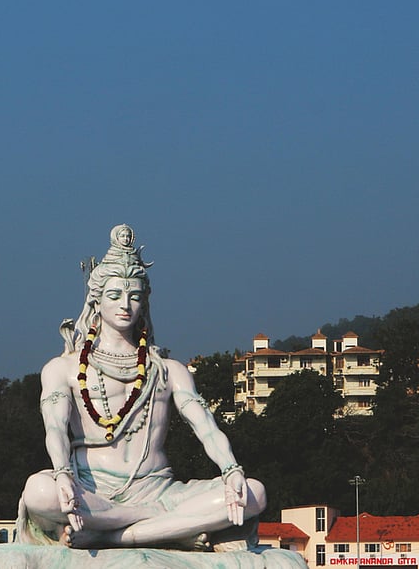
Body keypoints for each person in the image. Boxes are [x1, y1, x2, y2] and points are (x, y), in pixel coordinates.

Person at [17, 225, 266, 550]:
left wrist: (231, 469)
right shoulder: (63, 369)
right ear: (96, 300)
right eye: (115, 295)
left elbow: (206, 427)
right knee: (39, 492)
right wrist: (63, 474)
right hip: (91, 491)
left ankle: (121, 535)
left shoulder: (167, 369)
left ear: (144, 303)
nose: (125, 305)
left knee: (253, 492)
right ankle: (165, 527)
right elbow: (54, 427)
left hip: (159, 491)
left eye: (134, 297)